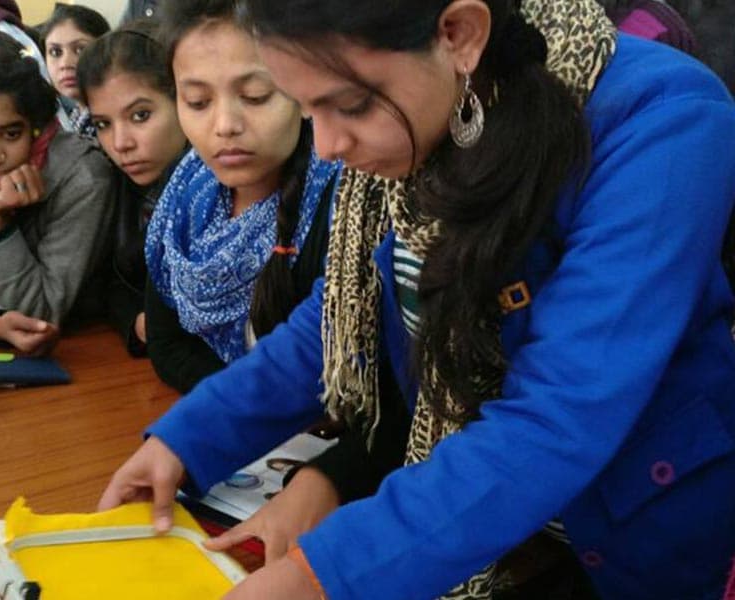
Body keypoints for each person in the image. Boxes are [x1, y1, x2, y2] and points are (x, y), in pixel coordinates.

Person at [100, 0, 735, 599]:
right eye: (305, 107)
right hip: (484, 533)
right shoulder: (431, 120)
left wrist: (323, 574)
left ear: (459, 34)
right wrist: (186, 440)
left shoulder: (662, 120)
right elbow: (343, 317)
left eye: (348, 105)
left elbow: (561, 413)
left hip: (640, 532)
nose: (325, 147)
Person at [140, 0, 340, 392]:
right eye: (197, 102)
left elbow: (322, 381)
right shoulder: (185, 191)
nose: (225, 126)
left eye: (255, 95)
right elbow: (165, 345)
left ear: (303, 90)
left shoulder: (338, 208)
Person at [0, 29, 116, 355]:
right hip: (6, 355)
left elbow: (41, 313)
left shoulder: (83, 177)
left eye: (11, 132)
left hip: (95, 354)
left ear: (35, 126)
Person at [77, 20, 188, 356]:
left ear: (185, 99)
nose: (121, 143)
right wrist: (135, 320)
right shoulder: (115, 184)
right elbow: (111, 282)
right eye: (103, 124)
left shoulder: (221, 190)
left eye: (140, 115)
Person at [41, 4, 110, 137]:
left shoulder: (109, 119)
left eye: (80, 50)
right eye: (55, 52)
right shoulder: (76, 114)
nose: (65, 64)